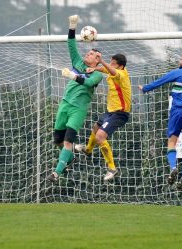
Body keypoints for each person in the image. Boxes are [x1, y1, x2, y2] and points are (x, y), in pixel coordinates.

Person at [47, 15, 103, 183]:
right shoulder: (78, 62)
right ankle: (69, 158)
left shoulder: (99, 73)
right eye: (89, 51)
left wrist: (72, 76)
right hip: (64, 105)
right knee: (58, 141)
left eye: (92, 53)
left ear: (97, 60)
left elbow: (88, 83)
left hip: (77, 110)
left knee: (67, 141)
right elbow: (71, 44)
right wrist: (72, 26)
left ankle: (56, 173)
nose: (89, 53)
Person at [139, 52, 182, 190]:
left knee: (172, 141)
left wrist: (145, 88)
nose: (180, 61)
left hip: (178, 111)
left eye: (181, 59)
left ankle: (173, 167)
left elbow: (161, 81)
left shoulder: (178, 73)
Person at [74, 53, 131, 181]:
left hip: (120, 113)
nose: (111, 65)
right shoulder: (115, 70)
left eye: (113, 63)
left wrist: (102, 62)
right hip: (110, 111)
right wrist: (95, 68)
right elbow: (106, 69)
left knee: (100, 136)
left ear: (121, 66)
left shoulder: (122, 74)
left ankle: (112, 168)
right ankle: (88, 150)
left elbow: (110, 70)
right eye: (110, 62)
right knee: (95, 128)